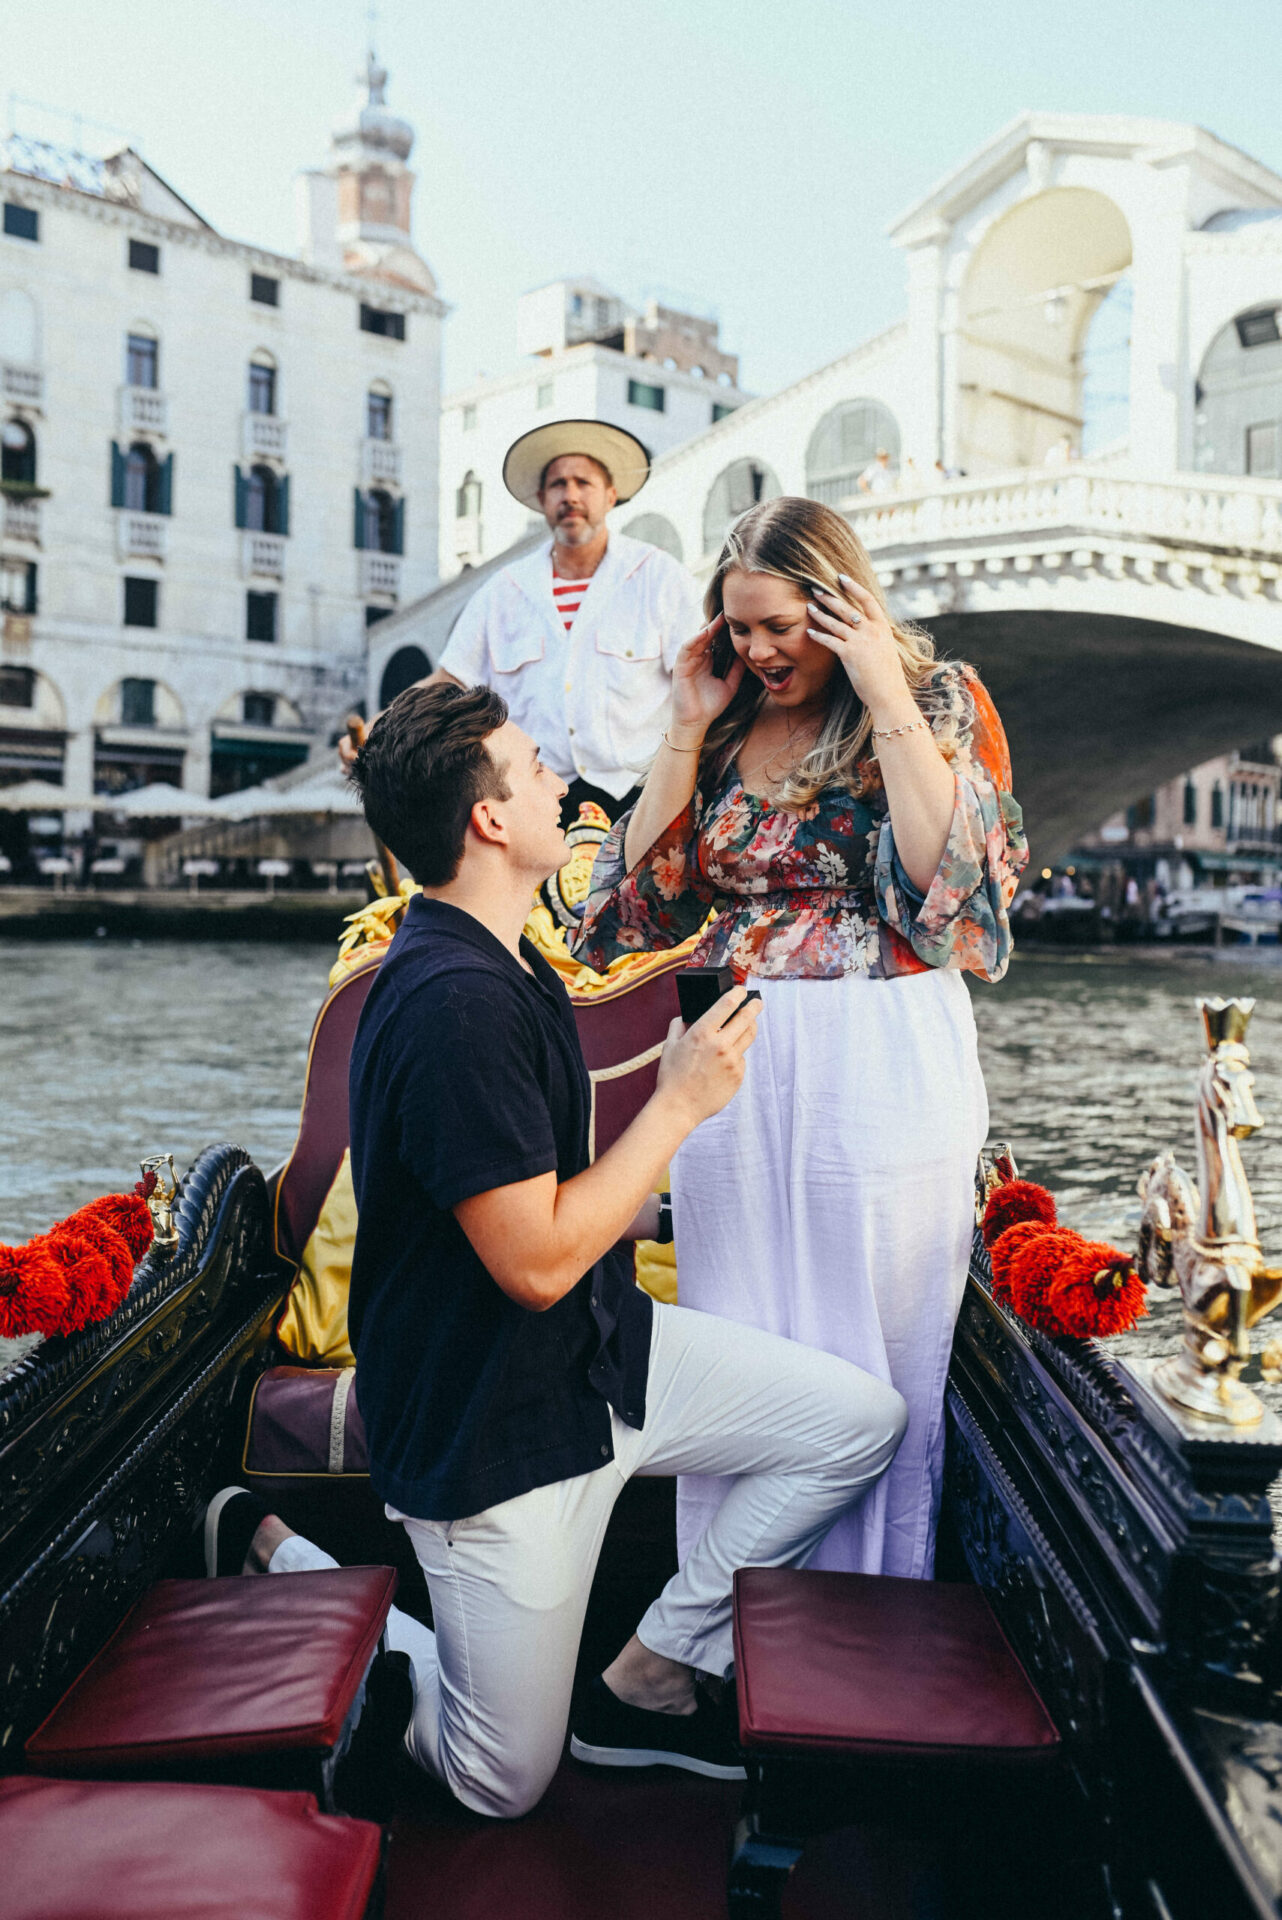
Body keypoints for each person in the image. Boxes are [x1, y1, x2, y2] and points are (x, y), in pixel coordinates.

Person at [207, 678, 906, 1820]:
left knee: (855, 1427)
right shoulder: (451, 1005)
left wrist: (683, 1215)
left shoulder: (508, 960)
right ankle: (283, 1557)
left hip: (600, 1357)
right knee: (500, 1784)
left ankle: (647, 1671)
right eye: (533, 769)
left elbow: (552, 1197)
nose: (558, 785)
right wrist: (677, 1106)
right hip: (497, 1429)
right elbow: (531, 1262)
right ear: (487, 819)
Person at [574, 496, 1027, 1581]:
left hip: (881, 1058)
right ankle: (722, 1637)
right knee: (752, 1345)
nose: (759, 649)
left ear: (836, 603)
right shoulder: (724, 719)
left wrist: (880, 692)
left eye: (780, 625)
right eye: (738, 626)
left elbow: (951, 894)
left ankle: (859, 1631)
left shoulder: (934, 697)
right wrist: (685, 720)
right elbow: (631, 909)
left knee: (879, 1348)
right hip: (735, 1065)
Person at [353, 420, 703, 826]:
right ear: (541, 499)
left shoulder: (659, 576)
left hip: (642, 795)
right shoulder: (503, 591)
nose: (570, 496)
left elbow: (695, 681)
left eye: (583, 483)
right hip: (537, 800)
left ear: (610, 495)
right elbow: (449, 681)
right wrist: (378, 728)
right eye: (558, 485)